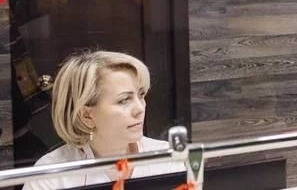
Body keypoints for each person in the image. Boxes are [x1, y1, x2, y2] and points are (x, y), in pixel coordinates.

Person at [23, 51, 182, 190]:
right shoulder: (51, 174)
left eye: (141, 95)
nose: (140, 108)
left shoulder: (168, 157)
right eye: (124, 100)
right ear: (86, 116)